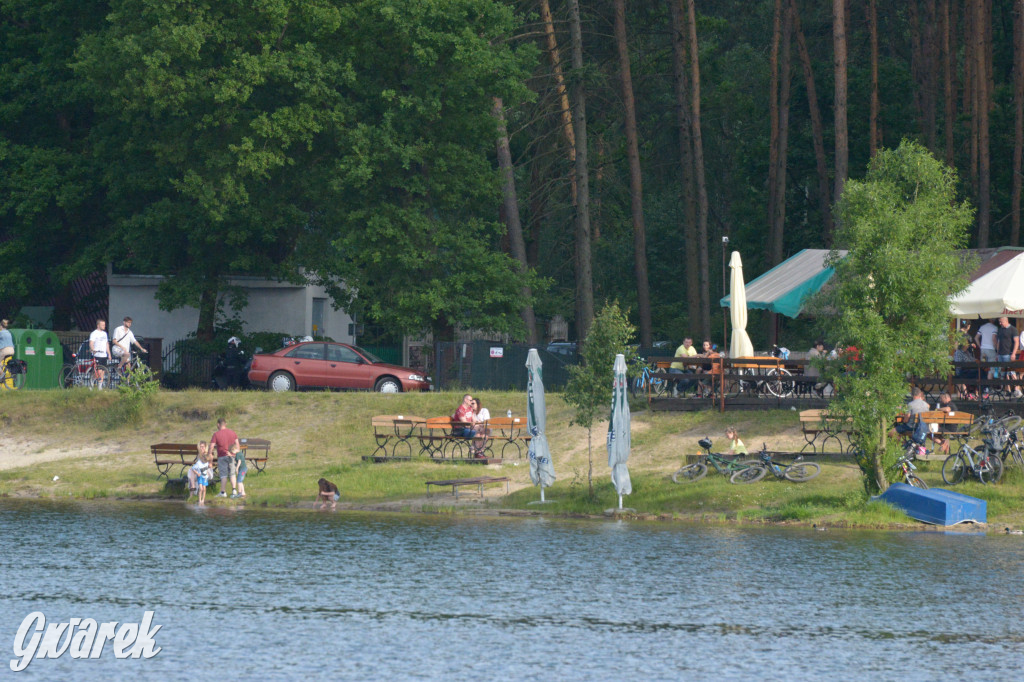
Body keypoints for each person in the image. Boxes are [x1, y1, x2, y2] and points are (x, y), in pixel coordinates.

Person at [208, 417, 240, 498]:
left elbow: (211, 446)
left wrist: (209, 455)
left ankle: (223, 492)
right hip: (231, 456)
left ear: (218, 424)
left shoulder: (216, 434)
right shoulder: (233, 433)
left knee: (223, 475)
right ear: (225, 424)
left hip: (222, 456)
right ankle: (234, 491)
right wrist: (234, 454)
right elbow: (238, 446)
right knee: (232, 473)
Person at [995, 317, 1021, 398]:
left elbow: (1016, 342)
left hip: (1008, 353)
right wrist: (997, 353)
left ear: (1006, 321)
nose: (1000, 323)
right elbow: (998, 342)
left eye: (1001, 322)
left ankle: (1017, 389)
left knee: (1011, 372)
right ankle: (1007, 390)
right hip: (1001, 354)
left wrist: (1013, 353)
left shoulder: (1013, 329)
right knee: (1004, 373)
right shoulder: (1000, 330)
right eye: (999, 322)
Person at [89, 319, 111, 387]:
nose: (104, 326)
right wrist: (93, 349)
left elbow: (106, 344)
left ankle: (100, 387)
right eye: (102, 325)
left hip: (104, 355)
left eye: (104, 325)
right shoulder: (94, 333)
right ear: (98, 325)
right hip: (97, 355)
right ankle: (92, 381)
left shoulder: (105, 334)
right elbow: (91, 343)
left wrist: (109, 354)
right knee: (98, 372)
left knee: (103, 372)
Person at [976, 318, 999, 384]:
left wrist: (980, 346)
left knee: (983, 367)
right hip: (991, 350)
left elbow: (976, 338)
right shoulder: (995, 327)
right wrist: (996, 349)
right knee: (991, 368)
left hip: (983, 350)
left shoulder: (982, 327)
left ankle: (983, 385)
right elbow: (993, 339)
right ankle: (989, 385)